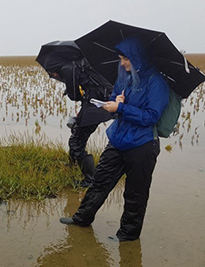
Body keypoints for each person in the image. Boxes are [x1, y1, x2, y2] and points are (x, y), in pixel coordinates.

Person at [59, 37, 170, 241]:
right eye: (120, 58)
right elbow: (113, 98)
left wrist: (121, 107)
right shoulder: (124, 77)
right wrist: (114, 101)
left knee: (135, 193)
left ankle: (128, 235)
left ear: (139, 58)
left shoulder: (157, 82)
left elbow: (151, 116)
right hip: (118, 139)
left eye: (126, 59)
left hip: (143, 145)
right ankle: (82, 218)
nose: (123, 63)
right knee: (100, 182)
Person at [43, 53, 113, 187]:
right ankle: (72, 164)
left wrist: (71, 91)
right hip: (96, 102)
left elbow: (74, 95)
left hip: (96, 106)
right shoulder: (76, 66)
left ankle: (90, 179)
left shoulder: (68, 69)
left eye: (51, 72)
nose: (53, 75)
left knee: (77, 140)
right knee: (76, 133)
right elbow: (88, 87)